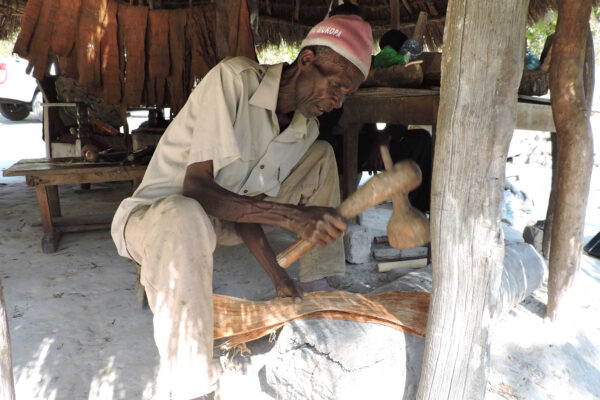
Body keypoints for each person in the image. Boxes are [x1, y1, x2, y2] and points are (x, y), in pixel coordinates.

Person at [111, 14, 373, 400]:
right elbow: (197, 189)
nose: (336, 102)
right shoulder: (234, 81)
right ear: (306, 60)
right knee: (185, 216)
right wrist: (294, 217)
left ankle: (316, 287)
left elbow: (250, 204)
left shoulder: (304, 129)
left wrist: (279, 279)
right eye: (335, 86)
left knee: (321, 155)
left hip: (222, 219)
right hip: (159, 217)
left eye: (345, 95)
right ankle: (193, 387)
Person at [318, 28, 432, 213]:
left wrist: (384, 137)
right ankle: (340, 200)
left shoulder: (389, 71)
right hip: (338, 148)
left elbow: (396, 115)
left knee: (421, 140)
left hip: (368, 145)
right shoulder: (347, 70)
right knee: (328, 143)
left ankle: (415, 209)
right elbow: (336, 121)